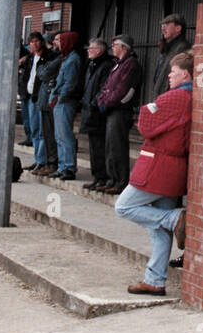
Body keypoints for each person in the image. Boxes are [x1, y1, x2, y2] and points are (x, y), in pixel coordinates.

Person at [115, 51, 194, 297]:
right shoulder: (193, 96)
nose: (169, 74)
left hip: (157, 168)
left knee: (124, 206)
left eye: (174, 70)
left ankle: (176, 219)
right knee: (158, 230)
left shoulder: (178, 96)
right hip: (174, 170)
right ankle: (155, 280)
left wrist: (149, 107)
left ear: (186, 73)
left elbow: (146, 122)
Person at [95, 34, 140, 195]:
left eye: (115, 45)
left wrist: (107, 103)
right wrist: (102, 100)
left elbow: (122, 90)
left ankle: (120, 181)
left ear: (124, 47)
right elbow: (107, 86)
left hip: (120, 111)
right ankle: (111, 179)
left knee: (118, 147)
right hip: (111, 110)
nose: (112, 47)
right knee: (110, 147)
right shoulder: (117, 65)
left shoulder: (131, 65)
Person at [46, 31, 84, 180]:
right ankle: (62, 166)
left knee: (65, 135)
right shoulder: (66, 58)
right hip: (60, 101)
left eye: (60, 41)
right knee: (59, 136)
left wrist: (59, 97)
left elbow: (70, 82)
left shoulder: (73, 60)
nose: (56, 44)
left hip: (65, 102)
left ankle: (68, 167)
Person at [80, 38, 116, 192]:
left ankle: (103, 177)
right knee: (94, 147)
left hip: (98, 113)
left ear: (100, 50)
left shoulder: (106, 65)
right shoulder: (92, 65)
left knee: (100, 147)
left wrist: (94, 104)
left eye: (92, 48)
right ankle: (97, 177)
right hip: (89, 111)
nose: (88, 50)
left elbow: (103, 88)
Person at [22, 32, 53, 173]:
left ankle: (42, 160)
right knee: (33, 129)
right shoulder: (30, 58)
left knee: (41, 131)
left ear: (41, 42)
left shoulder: (48, 58)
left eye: (36, 41)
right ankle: (37, 160)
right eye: (31, 42)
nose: (33, 44)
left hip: (40, 98)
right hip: (29, 97)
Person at [150, 13, 192, 103]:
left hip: (168, 99)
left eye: (167, 25)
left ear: (178, 28)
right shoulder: (167, 49)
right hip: (161, 98)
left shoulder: (182, 48)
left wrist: (166, 97)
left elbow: (178, 78)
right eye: (162, 25)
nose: (163, 28)